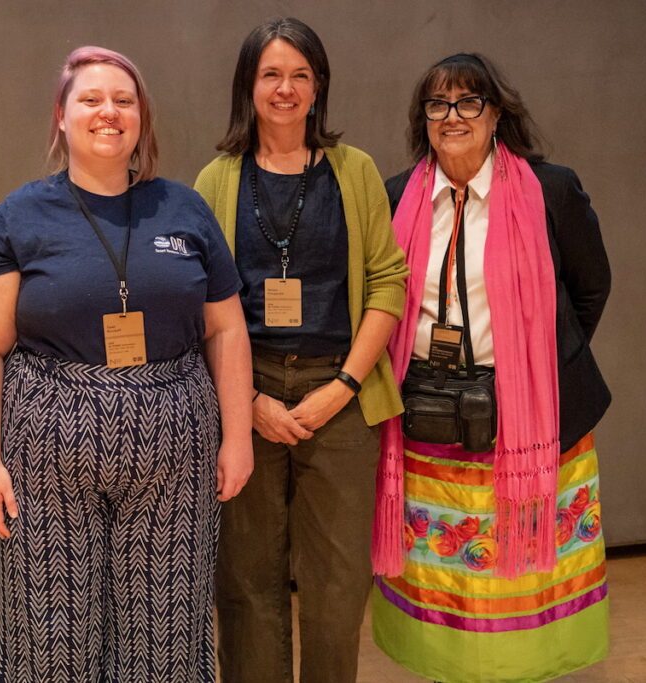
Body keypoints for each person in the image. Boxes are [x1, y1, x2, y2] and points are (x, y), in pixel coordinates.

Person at [0, 46, 253, 682]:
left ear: (141, 118)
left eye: (124, 101)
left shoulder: (184, 209)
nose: (109, 112)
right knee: (51, 633)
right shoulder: (15, 219)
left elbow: (227, 328)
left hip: (175, 436)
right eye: (91, 99)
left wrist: (237, 436)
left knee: (167, 632)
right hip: (46, 440)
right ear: (61, 115)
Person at [371, 53, 611, 682]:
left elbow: (591, 287)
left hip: (531, 421)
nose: (452, 116)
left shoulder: (551, 189)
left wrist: (538, 368)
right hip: (427, 419)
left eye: (468, 102)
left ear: (496, 113)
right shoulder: (396, 196)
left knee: (521, 576)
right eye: (438, 104)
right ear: (423, 118)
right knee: (445, 573)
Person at [194, 18, 409, 683]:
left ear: (318, 87)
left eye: (299, 75)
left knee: (338, 586)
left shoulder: (355, 170)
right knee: (245, 583)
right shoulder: (216, 179)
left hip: (340, 396)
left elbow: (388, 281)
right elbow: (197, 302)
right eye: (271, 74)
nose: (285, 89)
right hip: (245, 395)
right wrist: (249, 401)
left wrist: (343, 386)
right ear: (248, 85)